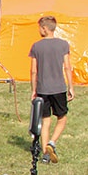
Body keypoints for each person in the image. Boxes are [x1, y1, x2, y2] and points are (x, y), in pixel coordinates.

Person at [29, 15, 74, 164]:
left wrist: (34, 90)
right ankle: (52, 143)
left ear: (44, 28)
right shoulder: (63, 45)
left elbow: (34, 71)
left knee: (45, 121)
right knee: (62, 118)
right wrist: (71, 87)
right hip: (59, 88)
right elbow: (67, 67)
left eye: (39, 28)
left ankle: (45, 155)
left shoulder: (36, 46)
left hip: (42, 88)